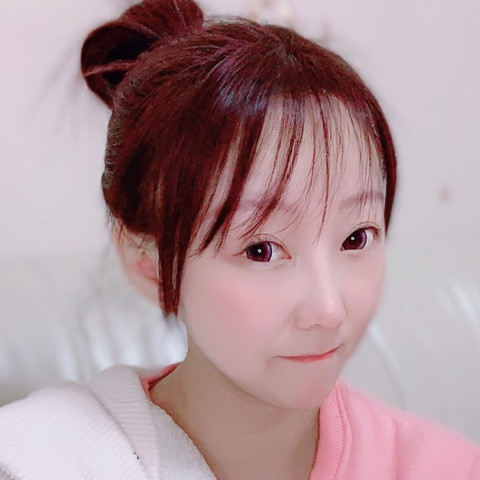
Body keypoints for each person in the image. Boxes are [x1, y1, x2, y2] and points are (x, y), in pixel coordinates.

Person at [1, 0, 479, 478]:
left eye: (355, 238)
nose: (328, 309)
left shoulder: (441, 467)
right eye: (261, 249)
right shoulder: (49, 459)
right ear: (149, 263)